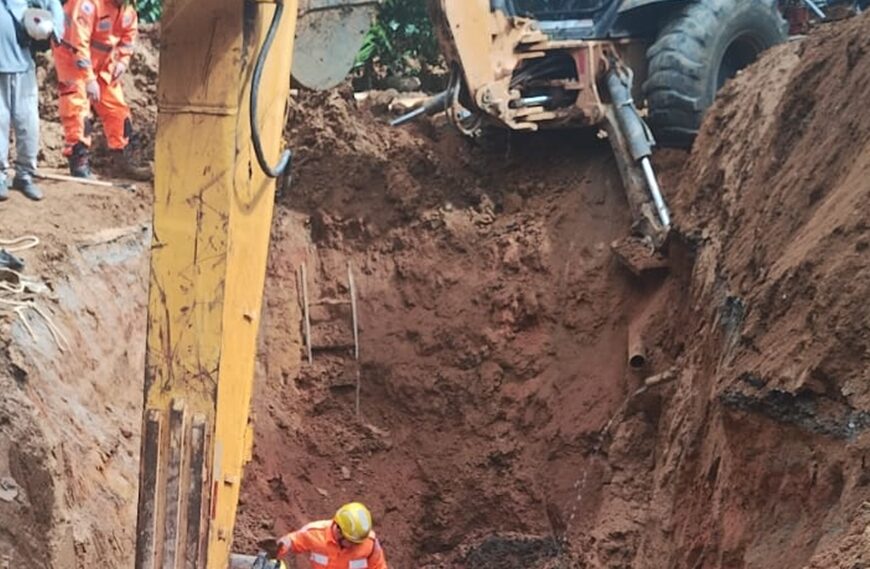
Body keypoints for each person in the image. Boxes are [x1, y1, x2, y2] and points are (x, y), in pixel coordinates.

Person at [51, 0, 150, 180]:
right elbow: (78, 42)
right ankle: (78, 158)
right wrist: (89, 79)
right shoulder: (88, 5)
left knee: (117, 107)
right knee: (77, 106)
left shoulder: (127, 9)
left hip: (103, 61)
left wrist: (123, 61)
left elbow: (128, 36)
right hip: (71, 58)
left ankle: (124, 158)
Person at [0, 0, 63, 201]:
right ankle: (0, 177)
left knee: (28, 125)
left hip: (24, 68)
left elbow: (54, 3)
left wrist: (57, 29)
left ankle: (25, 175)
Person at [275, 502, 389, 569]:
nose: (356, 545)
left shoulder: (370, 544)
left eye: (358, 543)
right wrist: (273, 552)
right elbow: (291, 541)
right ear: (339, 531)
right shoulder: (315, 534)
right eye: (352, 541)